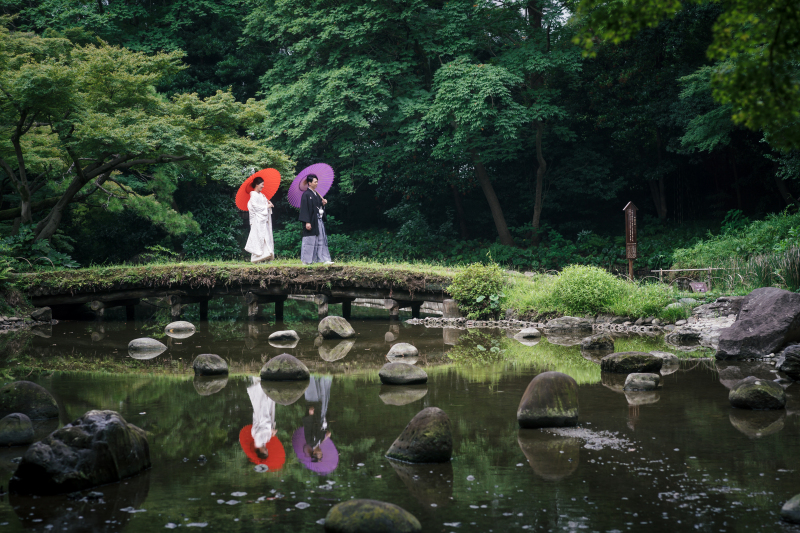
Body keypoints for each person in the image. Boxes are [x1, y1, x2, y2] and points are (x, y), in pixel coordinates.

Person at [299, 174, 333, 265]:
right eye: (315, 182)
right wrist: (307, 222)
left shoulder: (317, 195)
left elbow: (318, 207)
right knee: (309, 240)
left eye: (317, 182)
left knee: (321, 239)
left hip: (318, 220)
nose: (317, 183)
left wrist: (323, 204)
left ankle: (323, 259)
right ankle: (306, 261)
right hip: (310, 220)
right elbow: (304, 209)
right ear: (309, 183)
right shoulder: (306, 194)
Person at [244, 177, 274, 263]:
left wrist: (269, 204)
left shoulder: (262, 195)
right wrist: (266, 206)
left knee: (266, 238)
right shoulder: (253, 195)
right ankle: (257, 258)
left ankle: (266, 258)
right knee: (258, 238)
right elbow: (255, 207)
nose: (263, 186)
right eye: (262, 184)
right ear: (257, 184)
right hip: (257, 221)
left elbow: (263, 206)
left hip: (263, 220)